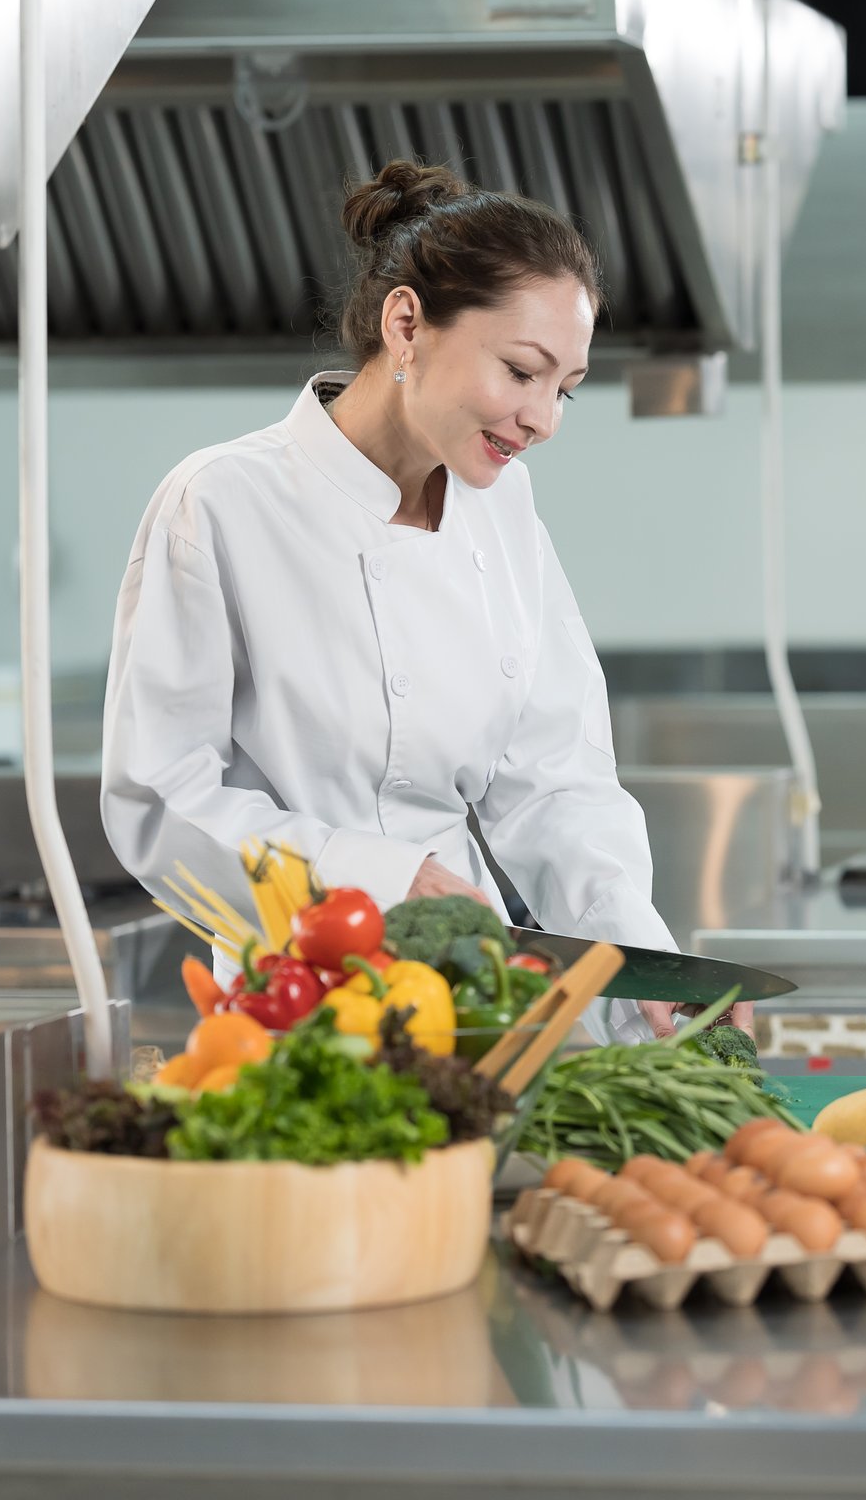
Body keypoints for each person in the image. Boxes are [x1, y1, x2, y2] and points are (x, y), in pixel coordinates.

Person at [101, 159, 717, 1042]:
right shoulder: (222, 502)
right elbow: (161, 798)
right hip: (296, 1005)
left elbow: (554, 782)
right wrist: (382, 877)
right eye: (521, 370)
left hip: (476, 1000)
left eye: (565, 389)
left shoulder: (502, 507)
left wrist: (633, 952)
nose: (544, 418)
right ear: (405, 325)